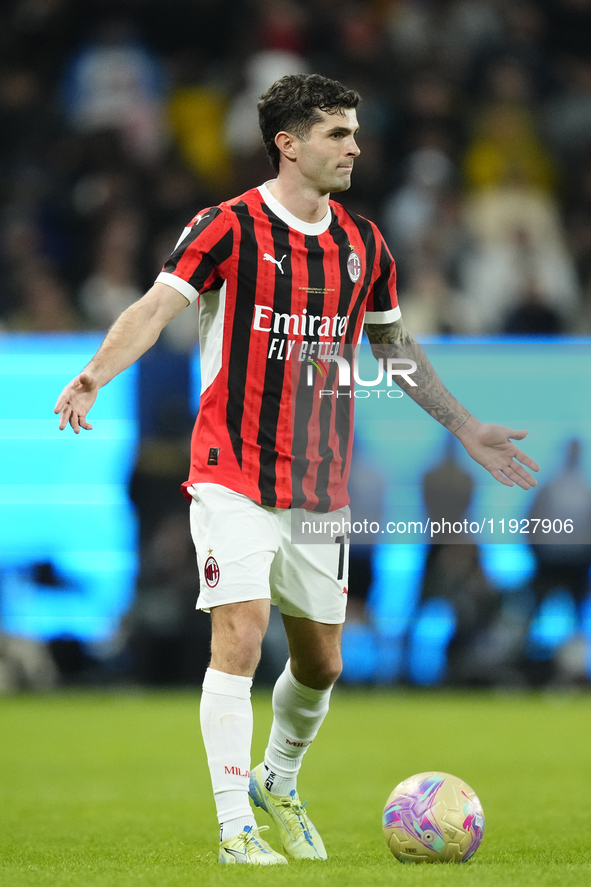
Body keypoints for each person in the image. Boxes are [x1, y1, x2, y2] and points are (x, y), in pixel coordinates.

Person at [54, 73, 539, 865]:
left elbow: (395, 351)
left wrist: (465, 427)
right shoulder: (226, 227)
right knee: (239, 635)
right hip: (230, 469)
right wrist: (94, 373)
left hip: (317, 486)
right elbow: (154, 305)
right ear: (288, 142)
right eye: (338, 133)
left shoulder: (363, 244)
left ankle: (277, 778)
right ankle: (232, 828)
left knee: (322, 662)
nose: (354, 146)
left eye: (353, 132)